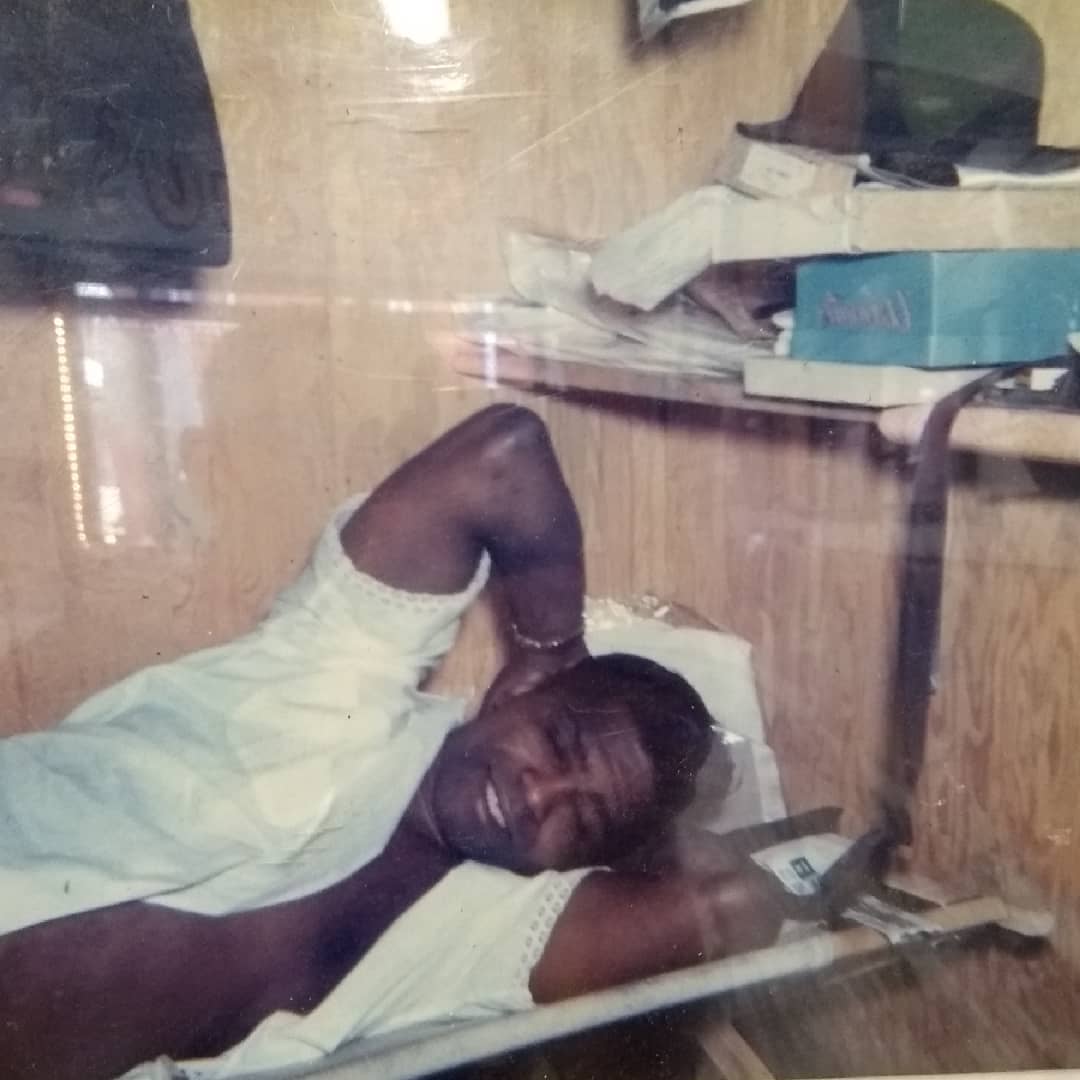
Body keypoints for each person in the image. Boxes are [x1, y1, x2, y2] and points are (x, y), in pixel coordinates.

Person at [0, 405, 794, 1080]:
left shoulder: (477, 937)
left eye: (579, 821)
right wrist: (549, 648)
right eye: (556, 743)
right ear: (517, 694)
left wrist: (658, 834)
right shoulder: (334, 685)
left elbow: (732, 907)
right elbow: (503, 456)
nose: (538, 794)